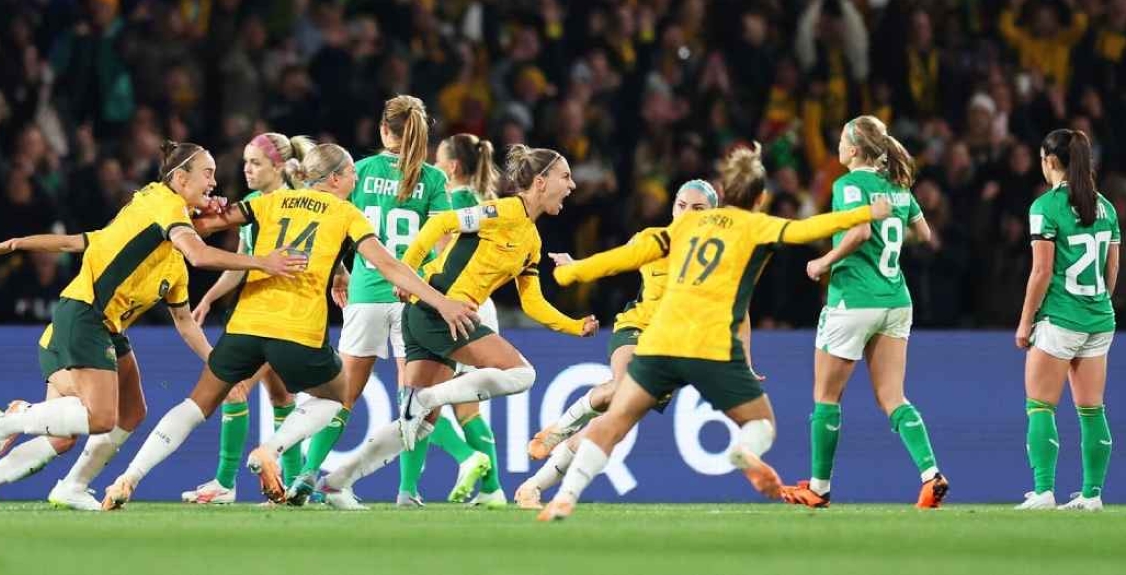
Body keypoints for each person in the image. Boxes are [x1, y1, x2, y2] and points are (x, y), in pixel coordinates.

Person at [101, 144, 480, 509]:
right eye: (351, 173)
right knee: (338, 396)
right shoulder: (346, 213)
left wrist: (203, 206)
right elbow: (390, 266)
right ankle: (271, 450)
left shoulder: (270, 201)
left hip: (245, 325)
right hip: (297, 331)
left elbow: (200, 227)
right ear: (334, 179)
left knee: (196, 404)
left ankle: (129, 477)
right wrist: (440, 301)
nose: (356, 180)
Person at [535, 143, 892, 521]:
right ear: (760, 198)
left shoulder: (685, 225)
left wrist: (572, 272)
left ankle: (567, 495)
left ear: (724, 191)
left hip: (661, 342)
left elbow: (625, 257)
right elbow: (808, 229)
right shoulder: (758, 225)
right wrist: (866, 212)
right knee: (762, 424)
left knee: (613, 422)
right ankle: (744, 449)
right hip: (711, 346)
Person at [0, 142, 305, 511]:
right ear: (180, 178)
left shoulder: (167, 255)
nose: (214, 183)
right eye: (208, 173)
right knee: (100, 417)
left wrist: (220, 367)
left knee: (121, 415)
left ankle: (14, 483)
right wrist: (263, 262)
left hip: (107, 329)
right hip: (85, 316)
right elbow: (200, 254)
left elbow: (184, 321)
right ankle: (8, 422)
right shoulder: (162, 203)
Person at [316, 144, 599, 510]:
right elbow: (440, 223)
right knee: (522, 374)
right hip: (439, 311)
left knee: (419, 424)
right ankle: (425, 400)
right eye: (565, 177)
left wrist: (574, 327)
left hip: (436, 318)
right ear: (541, 182)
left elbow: (532, 302)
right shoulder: (502, 211)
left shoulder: (532, 241)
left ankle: (336, 482)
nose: (572, 185)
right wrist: (407, 272)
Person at [285, 95, 458, 507]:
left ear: (383, 130)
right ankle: (407, 490)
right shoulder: (433, 179)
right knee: (414, 399)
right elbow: (446, 242)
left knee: (341, 395)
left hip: (364, 296)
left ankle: (309, 473)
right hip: (413, 297)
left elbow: (328, 226)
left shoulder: (357, 172)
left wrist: (338, 272)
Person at [515, 179, 719, 509]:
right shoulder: (653, 240)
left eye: (698, 208)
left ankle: (532, 487)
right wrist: (576, 266)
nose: (687, 214)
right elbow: (614, 261)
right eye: (682, 206)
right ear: (673, 209)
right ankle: (559, 430)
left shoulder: (721, 258)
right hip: (637, 328)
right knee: (625, 389)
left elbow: (739, 311)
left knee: (612, 425)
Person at [781, 116, 948, 510]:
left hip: (853, 299)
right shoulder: (899, 187)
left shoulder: (848, 185)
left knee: (826, 396)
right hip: (895, 300)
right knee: (893, 396)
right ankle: (931, 475)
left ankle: (819, 487)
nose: (838, 146)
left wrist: (823, 262)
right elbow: (925, 235)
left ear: (854, 149)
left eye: (842, 140)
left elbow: (860, 232)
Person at [181, 132, 317, 504]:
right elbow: (242, 262)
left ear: (279, 167)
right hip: (254, 309)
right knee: (281, 395)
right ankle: (294, 485)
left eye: (256, 163)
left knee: (235, 387)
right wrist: (209, 298)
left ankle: (225, 483)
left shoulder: (297, 205)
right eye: (245, 162)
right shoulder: (251, 206)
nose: (247, 169)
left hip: (280, 313)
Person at [398, 133, 506, 507]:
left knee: (420, 398)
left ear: (452, 166)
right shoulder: (482, 202)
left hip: (453, 306)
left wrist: (414, 282)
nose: (432, 165)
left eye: (437, 159)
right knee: (466, 407)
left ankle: (443, 471)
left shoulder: (455, 201)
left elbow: (443, 257)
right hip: (478, 303)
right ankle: (492, 489)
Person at [1014, 129, 1117, 511]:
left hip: (1059, 319)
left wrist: (1025, 321)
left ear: (1051, 162)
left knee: (1040, 406)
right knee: (1092, 410)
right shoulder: (1106, 208)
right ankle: (1092, 494)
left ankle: (1044, 491)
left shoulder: (1046, 207)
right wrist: (1098, 303)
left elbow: (1042, 271)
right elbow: (1112, 269)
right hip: (1099, 319)